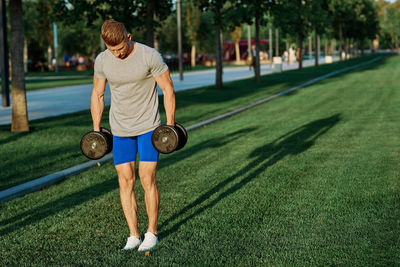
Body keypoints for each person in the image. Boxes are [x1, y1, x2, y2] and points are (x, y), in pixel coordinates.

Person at [91, 20, 176, 252]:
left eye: (120, 48)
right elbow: (98, 94)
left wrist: (169, 125)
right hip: (120, 130)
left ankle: (151, 232)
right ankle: (133, 235)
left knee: (147, 178)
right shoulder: (102, 60)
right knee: (124, 181)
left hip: (149, 127)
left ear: (129, 36)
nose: (117, 54)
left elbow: (167, 88)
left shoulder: (150, 56)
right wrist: (96, 130)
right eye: (112, 49)